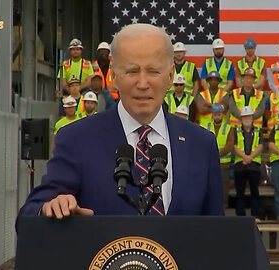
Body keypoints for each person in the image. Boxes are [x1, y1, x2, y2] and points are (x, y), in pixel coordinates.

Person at [18, 23, 224, 219]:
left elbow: (217, 231)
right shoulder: (76, 139)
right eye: (132, 71)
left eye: (153, 71)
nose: (143, 83)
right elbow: (30, 214)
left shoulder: (201, 144)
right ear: (114, 77)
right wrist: (50, 209)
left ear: (170, 76)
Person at [233, 106, 263, 217]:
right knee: (239, 193)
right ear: (241, 118)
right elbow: (235, 146)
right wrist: (244, 157)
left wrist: (250, 157)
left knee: (255, 192)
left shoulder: (258, 130)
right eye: (244, 117)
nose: (246, 118)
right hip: (240, 166)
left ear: (252, 117)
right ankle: (240, 217)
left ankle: (255, 216)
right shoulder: (236, 130)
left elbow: (260, 145)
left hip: (254, 166)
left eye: (248, 116)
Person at [204, 103, 234, 208]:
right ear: (212, 115)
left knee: (223, 185)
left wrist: (217, 153)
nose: (217, 116)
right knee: (210, 185)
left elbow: (230, 144)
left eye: (219, 114)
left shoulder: (228, 128)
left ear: (223, 115)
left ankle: (224, 205)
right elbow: (203, 143)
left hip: (224, 163)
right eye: (215, 114)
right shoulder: (206, 127)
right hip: (210, 163)